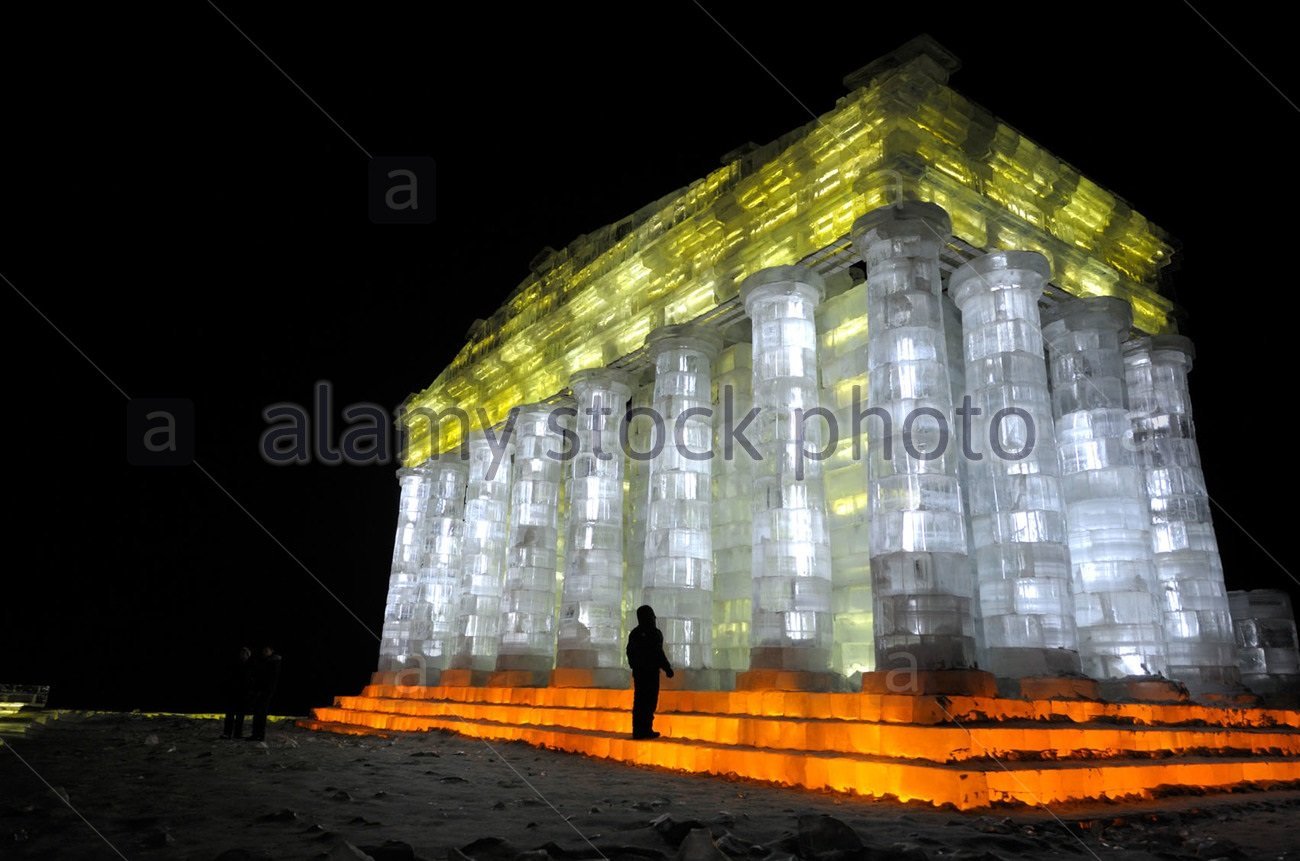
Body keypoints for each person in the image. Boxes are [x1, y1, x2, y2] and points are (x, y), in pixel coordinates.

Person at [625, 605, 673, 739]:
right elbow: (658, 653)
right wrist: (667, 668)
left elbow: (630, 652)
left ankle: (639, 730)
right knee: (649, 701)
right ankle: (645, 729)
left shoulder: (634, 633)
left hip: (640, 673)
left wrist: (634, 666)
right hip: (650, 673)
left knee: (640, 701)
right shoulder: (654, 633)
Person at [246, 645, 282, 742]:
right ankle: (255, 734)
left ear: (271, 651)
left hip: (265, 692)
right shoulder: (264, 661)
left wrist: (265, 691)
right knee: (257, 713)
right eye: (264, 650)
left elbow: (271, 680)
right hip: (259, 691)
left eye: (267, 650)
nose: (264, 652)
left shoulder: (273, 663)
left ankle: (259, 735)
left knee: (261, 713)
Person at [220, 645, 252, 739]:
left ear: (247, 655)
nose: (243, 655)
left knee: (239, 716)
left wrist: (249, 693)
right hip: (233, 693)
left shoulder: (249, 667)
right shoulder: (234, 665)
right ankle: (228, 733)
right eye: (242, 653)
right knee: (230, 715)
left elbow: (250, 681)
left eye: (245, 654)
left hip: (242, 695)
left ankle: (237, 733)